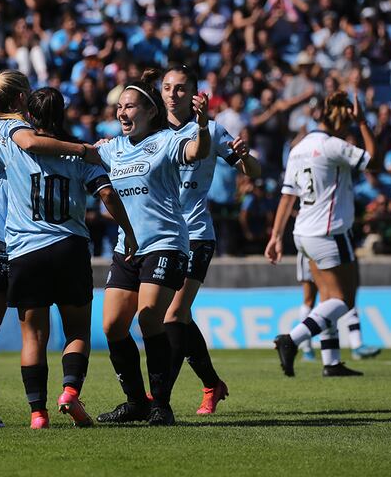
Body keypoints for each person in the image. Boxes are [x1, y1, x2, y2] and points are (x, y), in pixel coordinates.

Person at [0, 86, 137, 429]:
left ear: (29, 114)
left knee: (34, 337)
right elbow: (107, 194)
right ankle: (70, 391)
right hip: (70, 247)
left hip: (26, 253)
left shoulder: (12, 144)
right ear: (64, 113)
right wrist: (129, 232)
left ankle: (37, 413)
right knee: (77, 332)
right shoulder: (81, 153)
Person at [93, 69, 211, 427]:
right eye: (119, 107)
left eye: (129, 106)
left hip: (166, 245)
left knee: (148, 317)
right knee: (112, 326)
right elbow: (83, 156)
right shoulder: (112, 148)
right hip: (127, 248)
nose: (122, 112)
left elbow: (196, 150)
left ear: (148, 111)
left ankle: (161, 403)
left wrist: (202, 126)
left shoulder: (166, 140)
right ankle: (135, 402)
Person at [159, 66, 262, 415]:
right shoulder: (150, 130)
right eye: (167, 87)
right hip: (158, 236)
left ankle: (159, 400)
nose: (173, 93)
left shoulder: (213, 130)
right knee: (177, 317)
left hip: (196, 233)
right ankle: (211, 384)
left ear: (194, 95)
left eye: (181, 88)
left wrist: (245, 156)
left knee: (172, 316)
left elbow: (254, 172)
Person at [265, 91, 377, 378]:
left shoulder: (298, 148)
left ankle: (331, 361)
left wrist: (276, 236)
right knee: (344, 300)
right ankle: (292, 339)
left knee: (327, 298)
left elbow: (287, 197)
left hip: (302, 232)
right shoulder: (333, 146)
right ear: (342, 121)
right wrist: (363, 123)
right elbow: (372, 160)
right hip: (330, 232)